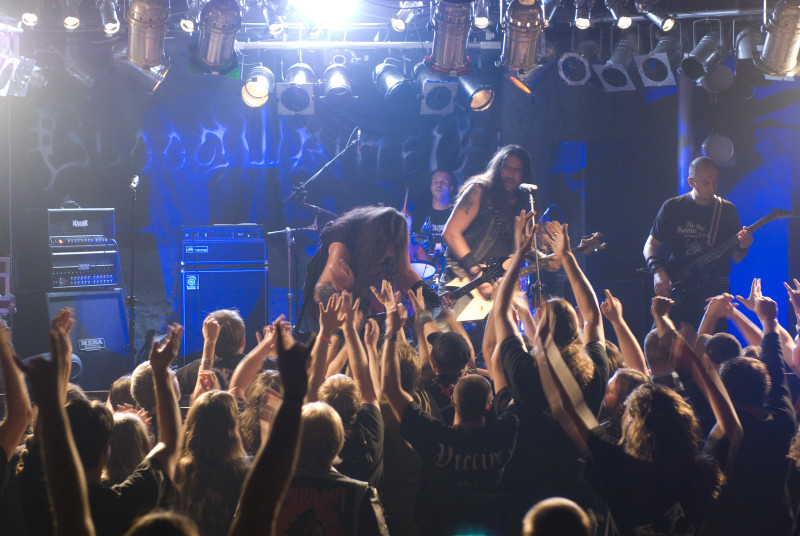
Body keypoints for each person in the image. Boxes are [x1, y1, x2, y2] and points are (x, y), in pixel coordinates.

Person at [643, 156, 753, 328]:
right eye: (706, 183)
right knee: (661, 343)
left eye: (715, 182)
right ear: (691, 182)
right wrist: (658, 271)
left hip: (713, 291)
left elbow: (736, 258)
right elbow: (650, 245)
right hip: (679, 288)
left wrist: (743, 247)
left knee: (714, 349)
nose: (712, 188)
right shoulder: (672, 207)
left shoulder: (727, 210)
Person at [296, 206, 438, 335]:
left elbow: (405, 272)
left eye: (392, 251)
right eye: (384, 250)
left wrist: (432, 297)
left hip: (357, 293)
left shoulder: (399, 234)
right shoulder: (343, 241)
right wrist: (344, 309)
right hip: (331, 303)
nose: (387, 256)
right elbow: (321, 291)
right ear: (373, 243)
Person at [443, 145, 533, 299]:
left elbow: (523, 247)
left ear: (524, 174)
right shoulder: (478, 190)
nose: (510, 174)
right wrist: (477, 274)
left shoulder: (522, 204)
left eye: (517, 170)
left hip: (497, 289)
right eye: (506, 167)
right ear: (498, 168)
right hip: (464, 283)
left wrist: (547, 260)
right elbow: (451, 233)